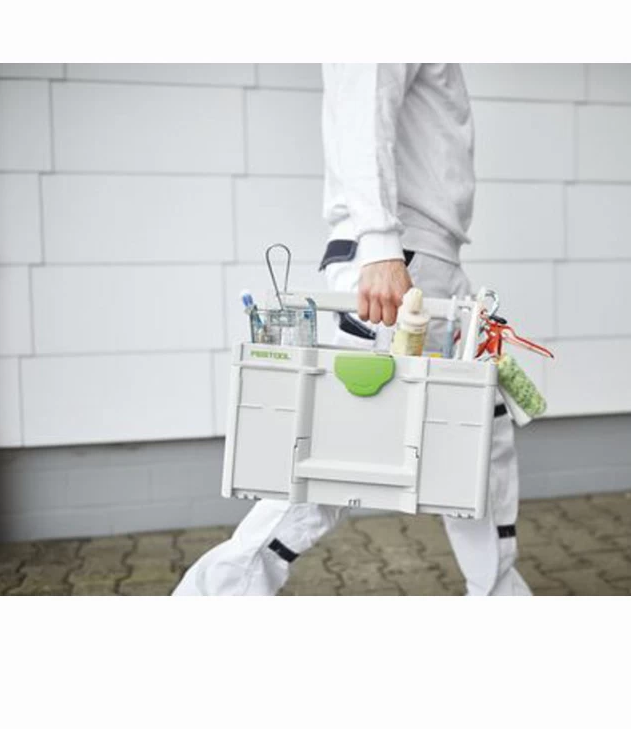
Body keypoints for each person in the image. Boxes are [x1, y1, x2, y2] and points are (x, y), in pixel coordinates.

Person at [173, 64, 532, 596]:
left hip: (423, 258)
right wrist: (381, 246)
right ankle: (218, 595)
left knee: (474, 442)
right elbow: (363, 117)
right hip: (400, 261)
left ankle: (498, 592)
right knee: (334, 462)